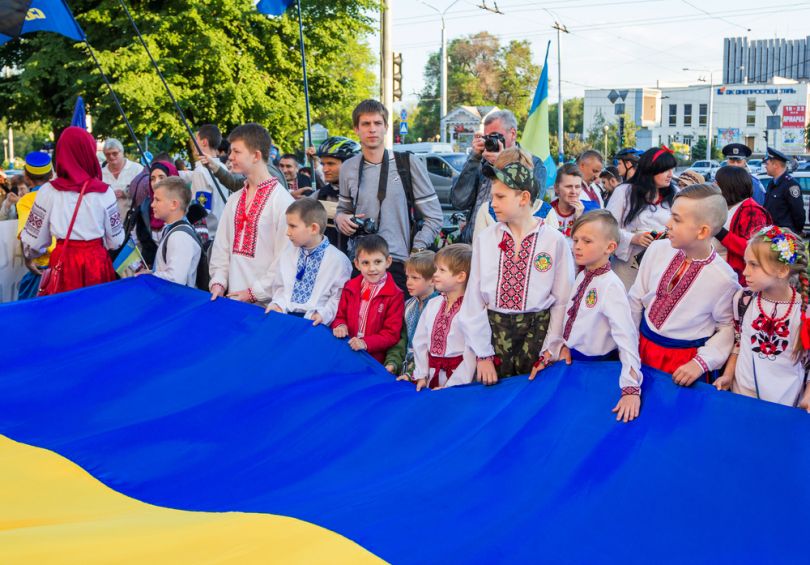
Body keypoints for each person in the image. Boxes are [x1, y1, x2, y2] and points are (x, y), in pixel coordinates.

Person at [459, 147, 574, 385]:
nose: (494, 203)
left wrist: (550, 348)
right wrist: (483, 354)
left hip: (537, 334)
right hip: (494, 334)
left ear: (523, 198)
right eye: (493, 197)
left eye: (500, 197)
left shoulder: (553, 240)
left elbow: (562, 300)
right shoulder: (487, 239)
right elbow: (474, 299)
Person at [530, 210, 643, 422]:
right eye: (575, 240)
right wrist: (561, 346)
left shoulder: (610, 286)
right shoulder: (583, 275)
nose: (577, 246)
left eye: (587, 241)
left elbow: (626, 337)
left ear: (610, 247)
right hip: (573, 364)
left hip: (597, 371)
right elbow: (572, 319)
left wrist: (630, 388)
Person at [629, 184, 740, 385]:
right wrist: (629, 343)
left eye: (677, 219)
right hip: (641, 346)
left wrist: (701, 363)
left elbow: (727, 327)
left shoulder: (724, 279)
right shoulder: (657, 249)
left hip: (682, 363)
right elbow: (636, 298)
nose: (668, 224)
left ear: (702, 231)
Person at [335, 99, 442, 289]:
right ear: (356, 129)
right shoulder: (348, 168)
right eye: (366, 124)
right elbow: (342, 210)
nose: (372, 129)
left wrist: (416, 250)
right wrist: (341, 218)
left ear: (385, 127)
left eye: (377, 123)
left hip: (398, 263)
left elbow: (434, 216)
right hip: (361, 263)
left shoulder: (407, 163)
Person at [714, 226, 810, 411]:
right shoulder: (743, 299)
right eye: (746, 263)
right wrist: (728, 374)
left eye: (754, 265)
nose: (745, 272)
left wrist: (808, 396)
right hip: (741, 398)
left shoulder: (804, 312)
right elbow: (740, 342)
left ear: (782, 270)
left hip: (784, 407)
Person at [21, 126, 124, 295]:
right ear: (89, 152)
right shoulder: (105, 192)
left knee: (64, 316)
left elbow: (34, 242)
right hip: (96, 265)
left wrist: (30, 256)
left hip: (64, 264)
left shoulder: (48, 191)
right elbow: (116, 241)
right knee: (96, 314)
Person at [209, 123, 294, 305]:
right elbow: (221, 246)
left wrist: (254, 293)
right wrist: (218, 281)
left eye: (237, 152)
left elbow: (285, 258)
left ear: (256, 155)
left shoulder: (282, 202)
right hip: (232, 301)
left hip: (267, 308)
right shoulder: (235, 199)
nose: (230, 157)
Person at [450, 109, 548, 242]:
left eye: (495, 136)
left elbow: (532, 205)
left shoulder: (534, 164)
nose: (490, 141)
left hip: (505, 245)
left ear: (512, 133)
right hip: (471, 244)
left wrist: (502, 164)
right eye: (487, 137)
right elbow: (459, 201)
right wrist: (474, 159)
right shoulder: (480, 161)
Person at [266, 198, 351, 325]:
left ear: (313, 228)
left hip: (315, 324)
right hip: (283, 318)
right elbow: (280, 286)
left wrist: (323, 314)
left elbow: (338, 297)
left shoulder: (338, 261)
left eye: (293, 226)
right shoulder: (287, 252)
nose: (287, 232)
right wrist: (278, 304)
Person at [606, 146, 678, 290]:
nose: (671, 174)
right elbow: (607, 227)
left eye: (672, 169)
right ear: (650, 169)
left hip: (663, 264)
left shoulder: (675, 193)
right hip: (629, 265)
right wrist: (634, 238)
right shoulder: (624, 192)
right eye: (666, 170)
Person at [408, 244, 475, 391]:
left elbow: (471, 353)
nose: (435, 274)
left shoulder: (471, 309)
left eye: (441, 270)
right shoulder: (433, 304)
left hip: (458, 382)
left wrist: (452, 386)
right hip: (431, 377)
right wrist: (421, 374)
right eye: (436, 269)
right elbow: (420, 341)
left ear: (460, 276)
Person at [331, 234, 404, 364]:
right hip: (348, 351)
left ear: (388, 261)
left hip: (374, 359)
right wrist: (340, 325)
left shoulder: (395, 295)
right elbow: (340, 315)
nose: (372, 268)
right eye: (365, 263)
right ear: (357, 264)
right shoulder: (350, 287)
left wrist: (365, 343)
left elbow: (391, 334)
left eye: (377, 262)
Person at [713, 165, 772, 285]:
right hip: (720, 272)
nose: (714, 184)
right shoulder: (726, 205)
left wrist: (719, 232)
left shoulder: (752, 211)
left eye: (717, 182)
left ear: (728, 186)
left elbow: (753, 248)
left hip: (738, 278)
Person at [385, 251, 440, 379]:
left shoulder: (439, 307)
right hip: (404, 370)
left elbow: (431, 348)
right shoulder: (407, 305)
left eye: (415, 278)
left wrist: (413, 373)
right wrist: (393, 362)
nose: (408, 283)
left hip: (426, 373)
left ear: (432, 280)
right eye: (407, 277)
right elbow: (401, 340)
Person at [307, 136, 361, 248]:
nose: (325, 169)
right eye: (323, 164)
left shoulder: (367, 194)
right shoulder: (319, 195)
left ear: (350, 163)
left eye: (331, 164)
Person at [149, 176, 202, 287]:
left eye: (157, 200)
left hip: (178, 301)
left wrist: (149, 277)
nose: (152, 204)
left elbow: (175, 279)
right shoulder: (173, 230)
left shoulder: (179, 236)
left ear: (174, 204)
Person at [15, 152, 55, 299]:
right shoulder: (63, 194)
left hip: (42, 271)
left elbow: (28, 237)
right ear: (51, 174)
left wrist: (28, 260)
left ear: (26, 176)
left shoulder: (26, 200)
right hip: (66, 266)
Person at [190, 124, 229, 231]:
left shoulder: (201, 171)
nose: (193, 144)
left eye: (196, 139)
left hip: (208, 233)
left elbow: (201, 209)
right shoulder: (223, 168)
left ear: (204, 142)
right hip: (222, 229)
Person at [547, 164, 599, 243]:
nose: (574, 191)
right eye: (568, 186)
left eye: (577, 187)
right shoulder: (545, 211)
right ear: (556, 188)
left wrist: (579, 220)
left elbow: (595, 243)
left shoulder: (592, 211)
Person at [762, 147, 804, 235]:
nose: (765, 166)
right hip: (772, 233)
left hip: (785, 235)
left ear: (775, 165)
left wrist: (795, 232)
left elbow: (798, 213)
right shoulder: (771, 183)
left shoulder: (791, 185)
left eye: (767, 163)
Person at [101, 138, 143, 220]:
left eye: (115, 153)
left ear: (122, 152)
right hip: (109, 223)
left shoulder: (137, 169)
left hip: (134, 222)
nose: (111, 156)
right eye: (107, 154)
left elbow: (144, 193)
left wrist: (126, 193)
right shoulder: (100, 174)